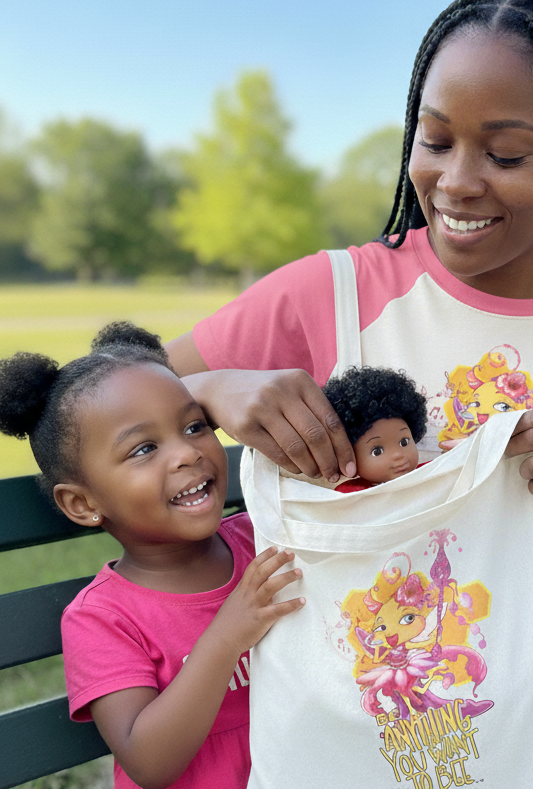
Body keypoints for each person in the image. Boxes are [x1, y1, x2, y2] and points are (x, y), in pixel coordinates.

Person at [166, 0, 533, 788]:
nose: (459, 182)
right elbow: (114, 386)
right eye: (436, 142)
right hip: (355, 746)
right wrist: (213, 387)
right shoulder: (333, 294)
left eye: (505, 154)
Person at [0, 322, 306, 789]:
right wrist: (227, 636)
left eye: (195, 426)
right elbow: (149, 762)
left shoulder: (260, 537)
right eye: (144, 448)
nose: (187, 453)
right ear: (83, 504)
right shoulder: (102, 618)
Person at [321, 365, 428, 491]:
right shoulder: (352, 496)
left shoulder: (429, 475)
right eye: (377, 451)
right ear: (348, 457)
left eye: (404, 442)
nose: (398, 455)